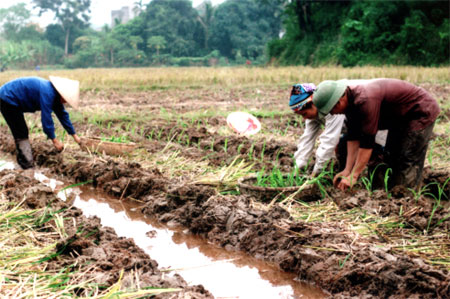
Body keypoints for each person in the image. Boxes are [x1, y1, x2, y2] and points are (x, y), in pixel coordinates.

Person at [312, 79, 440, 190]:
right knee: (391, 156)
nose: (333, 114)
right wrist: (347, 170)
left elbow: (367, 143)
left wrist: (354, 175)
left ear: (339, 101)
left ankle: (406, 200)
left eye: (332, 110)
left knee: (406, 159)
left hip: (420, 112)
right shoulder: (350, 104)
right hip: (399, 119)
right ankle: (390, 194)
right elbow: (353, 138)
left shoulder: (364, 100)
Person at [289, 81, 387, 177]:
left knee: (379, 157)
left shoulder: (331, 104)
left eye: (304, 114)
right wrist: (298, 168)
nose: (304, 118)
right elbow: (307, 139)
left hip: (378, 124)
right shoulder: (314, 112)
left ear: (314, 103)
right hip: (355, 130)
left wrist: (316, 173)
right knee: (343, 149)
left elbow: (329, 140)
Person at [0, 76, 82, 169]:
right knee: (21, 132)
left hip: (12, 99)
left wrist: (75, 137)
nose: (66, 102)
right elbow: (46, 119)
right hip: (7, 98)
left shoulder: (55, 96)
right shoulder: (48, 92)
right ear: (62, 94)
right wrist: (55, 141)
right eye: (66, 99)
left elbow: (63, 116)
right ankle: (27, 165)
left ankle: (23, 163)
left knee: (21, 130)